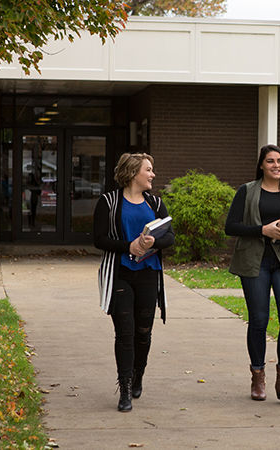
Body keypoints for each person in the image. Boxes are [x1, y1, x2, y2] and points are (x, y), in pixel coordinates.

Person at [225, 144, 280, 405]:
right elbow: (231, 226)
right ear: (262, 165)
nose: (276, 165)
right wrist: (263, 230)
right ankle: (258, 377)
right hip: (255, 263)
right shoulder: (247, 191)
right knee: (259, 320)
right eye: (271, 161)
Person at [93, 153, 174, 412]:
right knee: (125, 333)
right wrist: (128, 245)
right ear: (132, 173)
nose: (152, 174)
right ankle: (125, 388)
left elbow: (169, 236)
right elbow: (99, 239)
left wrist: (154, 242)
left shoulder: (156, 203)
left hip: (149, 273)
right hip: (120, 273)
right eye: (148, 170)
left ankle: (139, 373)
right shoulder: (109, 202)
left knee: (143, 332)